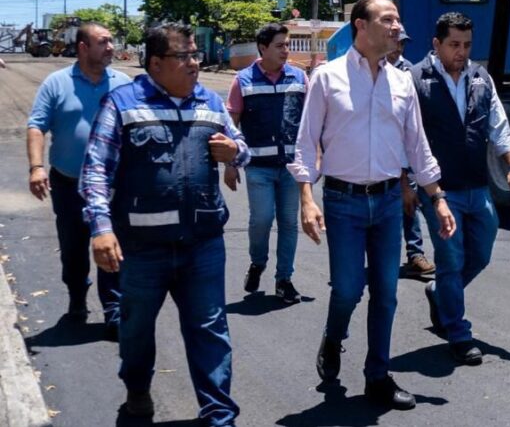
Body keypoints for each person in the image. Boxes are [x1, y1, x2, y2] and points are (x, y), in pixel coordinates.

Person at [289, 0, 456, 410]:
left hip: (386, 203)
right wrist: (307, 198)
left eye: (398, 18)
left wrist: (437, 198)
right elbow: (306, 143)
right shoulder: (327, 78)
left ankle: (377, 376)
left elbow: (417, 146)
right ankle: (334, 336)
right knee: (347, 289)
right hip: (343, 201)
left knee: (386, 293)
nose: (396, 26)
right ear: (360, 26)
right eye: (387, 19)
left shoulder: (402, 82)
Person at [80, 23, 247, 426]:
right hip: (141, 248)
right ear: (155, 64)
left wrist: (233, 151)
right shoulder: (122, 104)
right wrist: (101, 228)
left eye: (195, 55)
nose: (195, 63)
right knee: (135, 330)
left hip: (203, 243)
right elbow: (96, 170)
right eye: (184, 56)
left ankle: (219, 414)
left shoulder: (210, 101)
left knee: (210, 330)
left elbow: (240, 148)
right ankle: (137, 391)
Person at [412, 12, 510, 365]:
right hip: (439, 191)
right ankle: (459, 334)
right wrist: (406, 182)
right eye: (454, 45)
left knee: (482, 253)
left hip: (477, 186)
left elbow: (498, 125)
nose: (461, 52)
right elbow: (406, 136)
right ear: (436, 44)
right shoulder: (415, 80)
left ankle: (440, 293)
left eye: (467, 45)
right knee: (451, 258)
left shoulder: (479, 77)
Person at [26, 23, 131, 337]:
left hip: (114, 185)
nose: (111, 47)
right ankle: (76, 298)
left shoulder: (124, 83)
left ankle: (114, 310)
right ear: (83, 47)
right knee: (73, 249)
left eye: (112, 41)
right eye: (103, 42)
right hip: (69, 183)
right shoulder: (57, 83)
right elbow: (36, 126)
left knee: (112, 245)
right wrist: (36, 167)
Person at [225, 23, 306, 303]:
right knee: (261, 219)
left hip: (291, 167)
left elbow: (311, 119)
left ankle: (284, 279)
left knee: (288, 223)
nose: (286, 50)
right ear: (263, 48)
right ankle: (257, 262)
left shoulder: (299, 77)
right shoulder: (243, 80)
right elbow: (231, 122)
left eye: (287, 44)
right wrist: (230, 163)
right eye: (280, 45)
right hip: (258, 167)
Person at [387, 31, 436, 278]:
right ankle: (384, 256)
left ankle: (415, 253)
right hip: (383, 151)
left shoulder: (411, 72)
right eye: (395, 41)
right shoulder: (374, 70)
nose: (398, 47)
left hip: (408, 148)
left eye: (402, 43)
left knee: (410, 202)